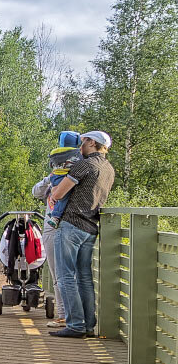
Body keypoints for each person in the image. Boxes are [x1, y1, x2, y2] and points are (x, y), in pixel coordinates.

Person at [48, 131, 116, 339]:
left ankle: (75, 324)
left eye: (84, 142)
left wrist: (54, 188)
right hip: (90, 227)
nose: (80, 147)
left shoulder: (85, 165)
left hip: (71, 225)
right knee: (84, 278)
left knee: (65, 276)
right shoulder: (109, 169)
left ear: (92, 143)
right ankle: (87, 325)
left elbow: (58, 193)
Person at [32, 131, 83, 327]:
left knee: (60, 276)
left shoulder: (66, 175)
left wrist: (50, 180)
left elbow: (37, 192)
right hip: (69, 228)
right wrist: (48, 180)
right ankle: (69, 315)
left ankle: (65, 316)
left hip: (58, 229)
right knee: (68, 276)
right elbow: (36, 191)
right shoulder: (73, 172)